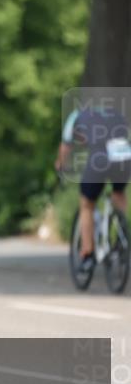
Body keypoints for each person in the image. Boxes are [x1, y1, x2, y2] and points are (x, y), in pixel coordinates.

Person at [56, 104, 131, 277]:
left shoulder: (76, 115)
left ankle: (87, 253)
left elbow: (66, 146)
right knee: (118, 193)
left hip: (100, 158)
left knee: (87, 204)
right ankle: (122, 236)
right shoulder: (115, 112)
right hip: (125, 156)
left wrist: (60, 166)